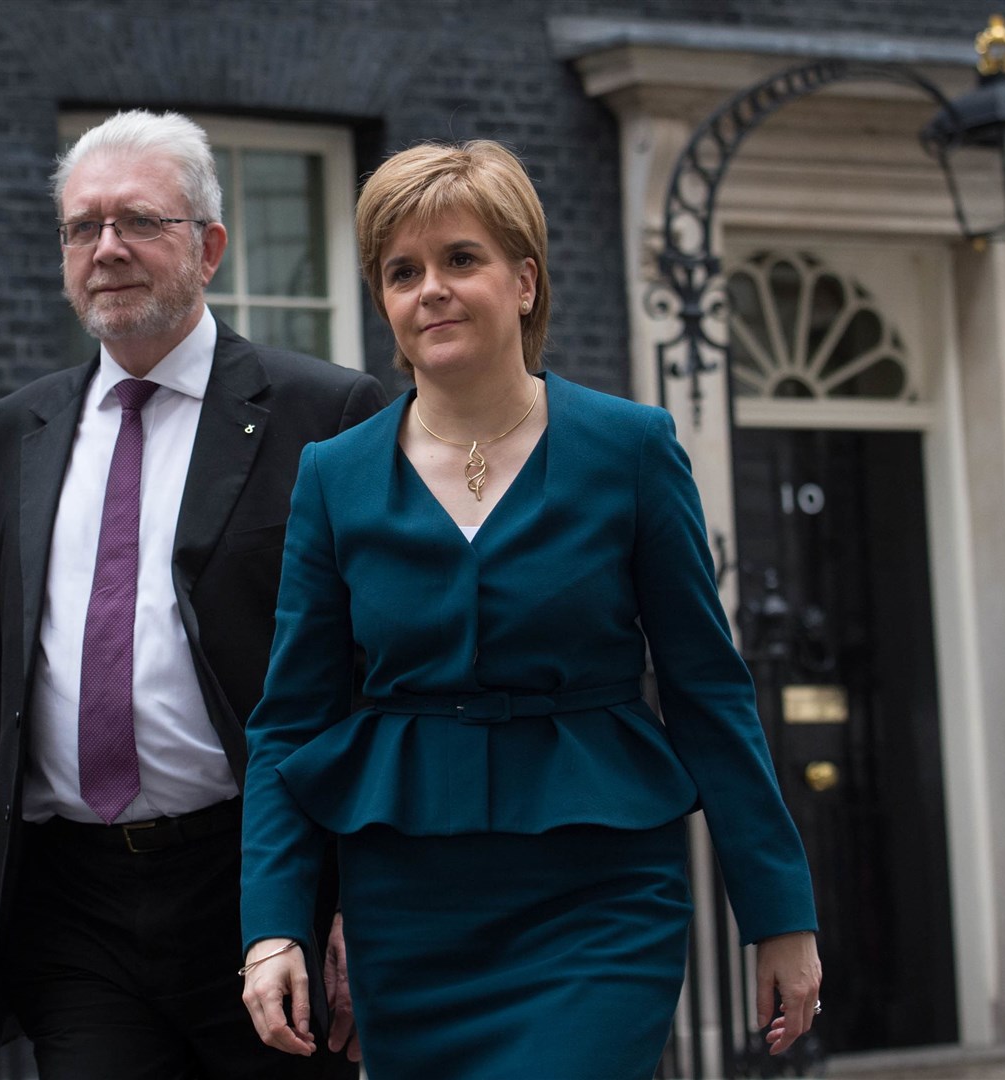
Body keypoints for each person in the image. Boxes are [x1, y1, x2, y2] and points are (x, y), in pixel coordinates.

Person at [238, 139, 822, 1080]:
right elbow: (291, 721)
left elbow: (708, 689)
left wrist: (779, 913)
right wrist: (272, 927)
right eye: (401, 271)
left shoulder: (629, 449)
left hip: (599, 897)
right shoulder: (334, 478)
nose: (430, 288)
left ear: (523, 281)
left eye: (459, 259)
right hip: (409, 906)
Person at [0, 109, 385, 1079]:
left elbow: (372, 676)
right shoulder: (15, 431)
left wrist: (352, 901)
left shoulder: (327, 414)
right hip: (71, 901)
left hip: (257, 882)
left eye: (138, 221)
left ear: (210, 246)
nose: (107, 248)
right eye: (82, 226)